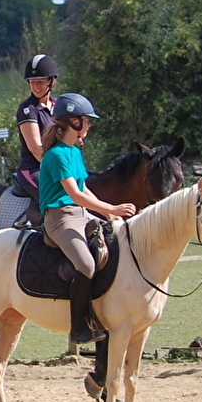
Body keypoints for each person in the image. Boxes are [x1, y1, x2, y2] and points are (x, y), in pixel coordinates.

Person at [37, 94, 137, 345]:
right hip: (60, 219)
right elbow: (74, 194)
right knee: (86, 265)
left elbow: (84, 189)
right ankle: (78, 327)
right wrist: (110, 206)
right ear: (74, 122)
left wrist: (107, 213)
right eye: (87, 121)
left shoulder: (73, 152)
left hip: (80, 214)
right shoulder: (57, 155)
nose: (90, 125)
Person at [13, 54, 59, 227]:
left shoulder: (58, 107)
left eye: (40, 81)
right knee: (55, 198)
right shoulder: (27, 109)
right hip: (33, 169)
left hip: (55, 166)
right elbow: (35, 148)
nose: (36, 86)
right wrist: (58, 171)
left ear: (50, 81)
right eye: (32, 82)